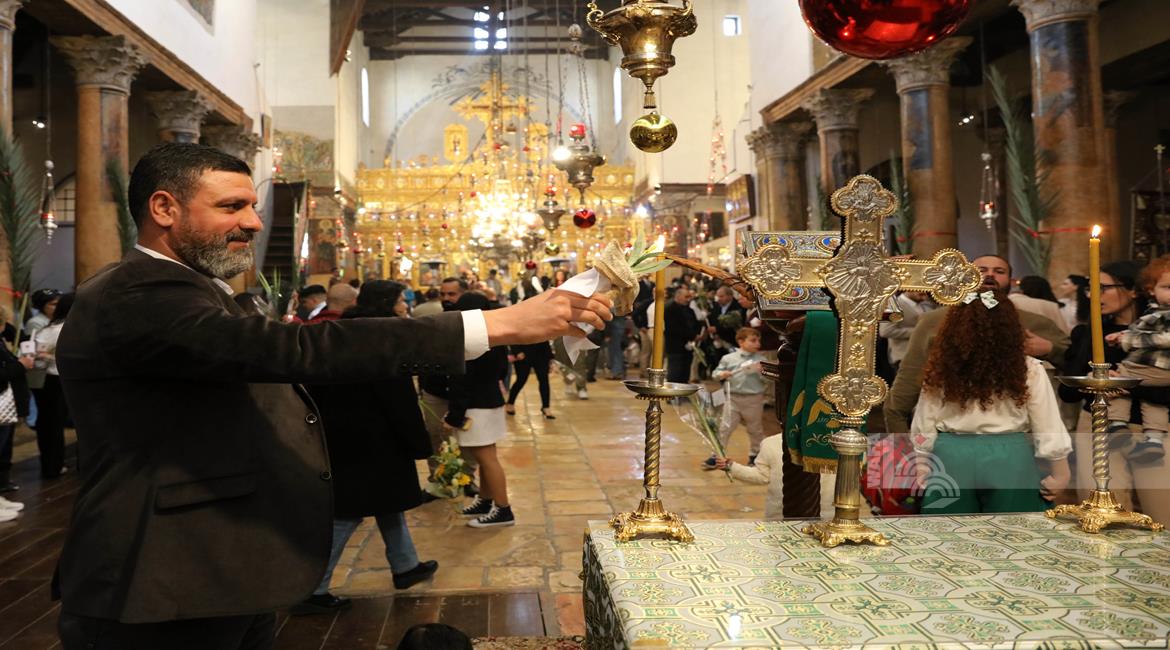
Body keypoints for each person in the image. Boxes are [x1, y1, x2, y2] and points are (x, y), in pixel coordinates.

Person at [53, 143, 612, 649]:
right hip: (160, 573)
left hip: (214, 565)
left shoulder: (192, 290)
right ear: (164, 208)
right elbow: (289, 350)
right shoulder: (137, 291)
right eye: (231, 207)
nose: (252, 222)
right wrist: (494, 325)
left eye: (253, 206)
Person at [296, 281, 439, 616]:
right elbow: (398, 399)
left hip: (345, 434)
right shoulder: (384, 338)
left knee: (386, 503)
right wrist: (418, 442)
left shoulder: (344, 330)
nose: (405, 305)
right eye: (401, 300)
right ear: (387, 303)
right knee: (347, 514)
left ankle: (406, 565)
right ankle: (312, 589)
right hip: (374, 441)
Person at [911, 290, 1072, 514]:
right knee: (1014, 527)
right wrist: (1061, 472)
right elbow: (1046, 421)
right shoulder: (1029, 368)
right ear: (1010, 327)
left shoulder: (944, 368)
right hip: (1008, 455)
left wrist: (921, 461)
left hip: (952, 454)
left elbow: (925, 416)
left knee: (949, 527)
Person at [885, 254, 1070, 433]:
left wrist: (1050, 349)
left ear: (1010, 280)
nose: (990, 275)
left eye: (999, 271)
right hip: (950, 432)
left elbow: (1073, 356)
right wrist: (901, 440)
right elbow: (908, 379)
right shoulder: (934, 321)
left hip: (1014, 433)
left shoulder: (1032, 322)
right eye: (981, 270)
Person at [445, 293, 514, 528]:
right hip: (491, 401)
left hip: (476, 407)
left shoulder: (468, 338)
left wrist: (454, 416)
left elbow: (462, 381)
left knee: (487, 459)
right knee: (485, 457)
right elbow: (502, 370)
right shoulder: (494, 334)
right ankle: (485, 500)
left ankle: (503, 510)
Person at [1105, 255, 1170, 461]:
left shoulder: (1163, 314)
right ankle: (1154, 440)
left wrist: (1126, 339)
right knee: (1154, 403)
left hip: (1153, 367)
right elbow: (1141, 331)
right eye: (1168, 287)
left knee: (1120, 378)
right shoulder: (1155, 312)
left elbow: (1163, 338)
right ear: (1151, 289)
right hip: (1161, 374)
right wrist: (1123, 335)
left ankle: (1117, 423)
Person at [706, 328, 768, 469]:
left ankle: (755, 455)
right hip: (732, 398)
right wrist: (722, 374)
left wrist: (761, 372)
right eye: (753, 340)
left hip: (754, 399)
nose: (757, 343)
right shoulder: (728, 358)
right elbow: (715, 374)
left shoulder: (761, 360)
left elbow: (768, 381)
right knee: (725, 427)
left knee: (755, 429)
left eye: (758, 341)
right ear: (741, 341)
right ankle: (717, 455)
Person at [33, 292, 73, 480]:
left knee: (52, 425)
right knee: (52, 426)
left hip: (55, 381)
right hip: (55, 382)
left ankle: (54, 465)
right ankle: (52, 466)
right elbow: (37, 359)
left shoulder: (50, 329)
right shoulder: (60, 330)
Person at [0, 306, 33, 499]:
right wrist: (21, 365)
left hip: (6, 402)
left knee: (4, 446)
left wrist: (8, 328)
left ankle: (3, 486)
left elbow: (17, 336)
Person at [664, 286, 701, 384]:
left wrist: (697, 334)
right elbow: (674, 328)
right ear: (678, 296)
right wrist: (692, 336)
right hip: (675, 346)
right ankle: (673, 393)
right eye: (686, 297)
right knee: (675, 373)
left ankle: (684, 390)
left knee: (685, 373)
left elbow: (695, 323)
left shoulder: (689, 310)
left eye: (689, 297)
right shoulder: (670, 309)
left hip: (688, 346)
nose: (688, 299)